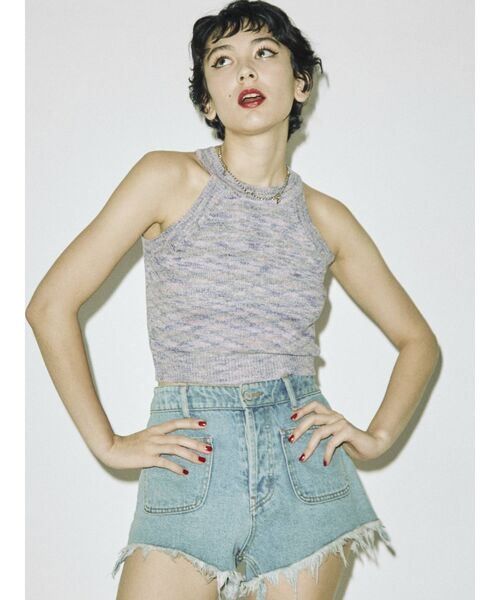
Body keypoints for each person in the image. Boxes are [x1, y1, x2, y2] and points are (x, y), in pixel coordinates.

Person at [25, 1, 440, 599]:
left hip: (305, 470)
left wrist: (376, 436)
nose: (244, 70)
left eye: (264, 53)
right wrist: (107, 444)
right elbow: (49, 305)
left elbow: (418, 342)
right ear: (208, 103)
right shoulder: (166, 179)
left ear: (300, 84)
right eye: (222, 61)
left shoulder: (327, 218)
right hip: (191, 457)